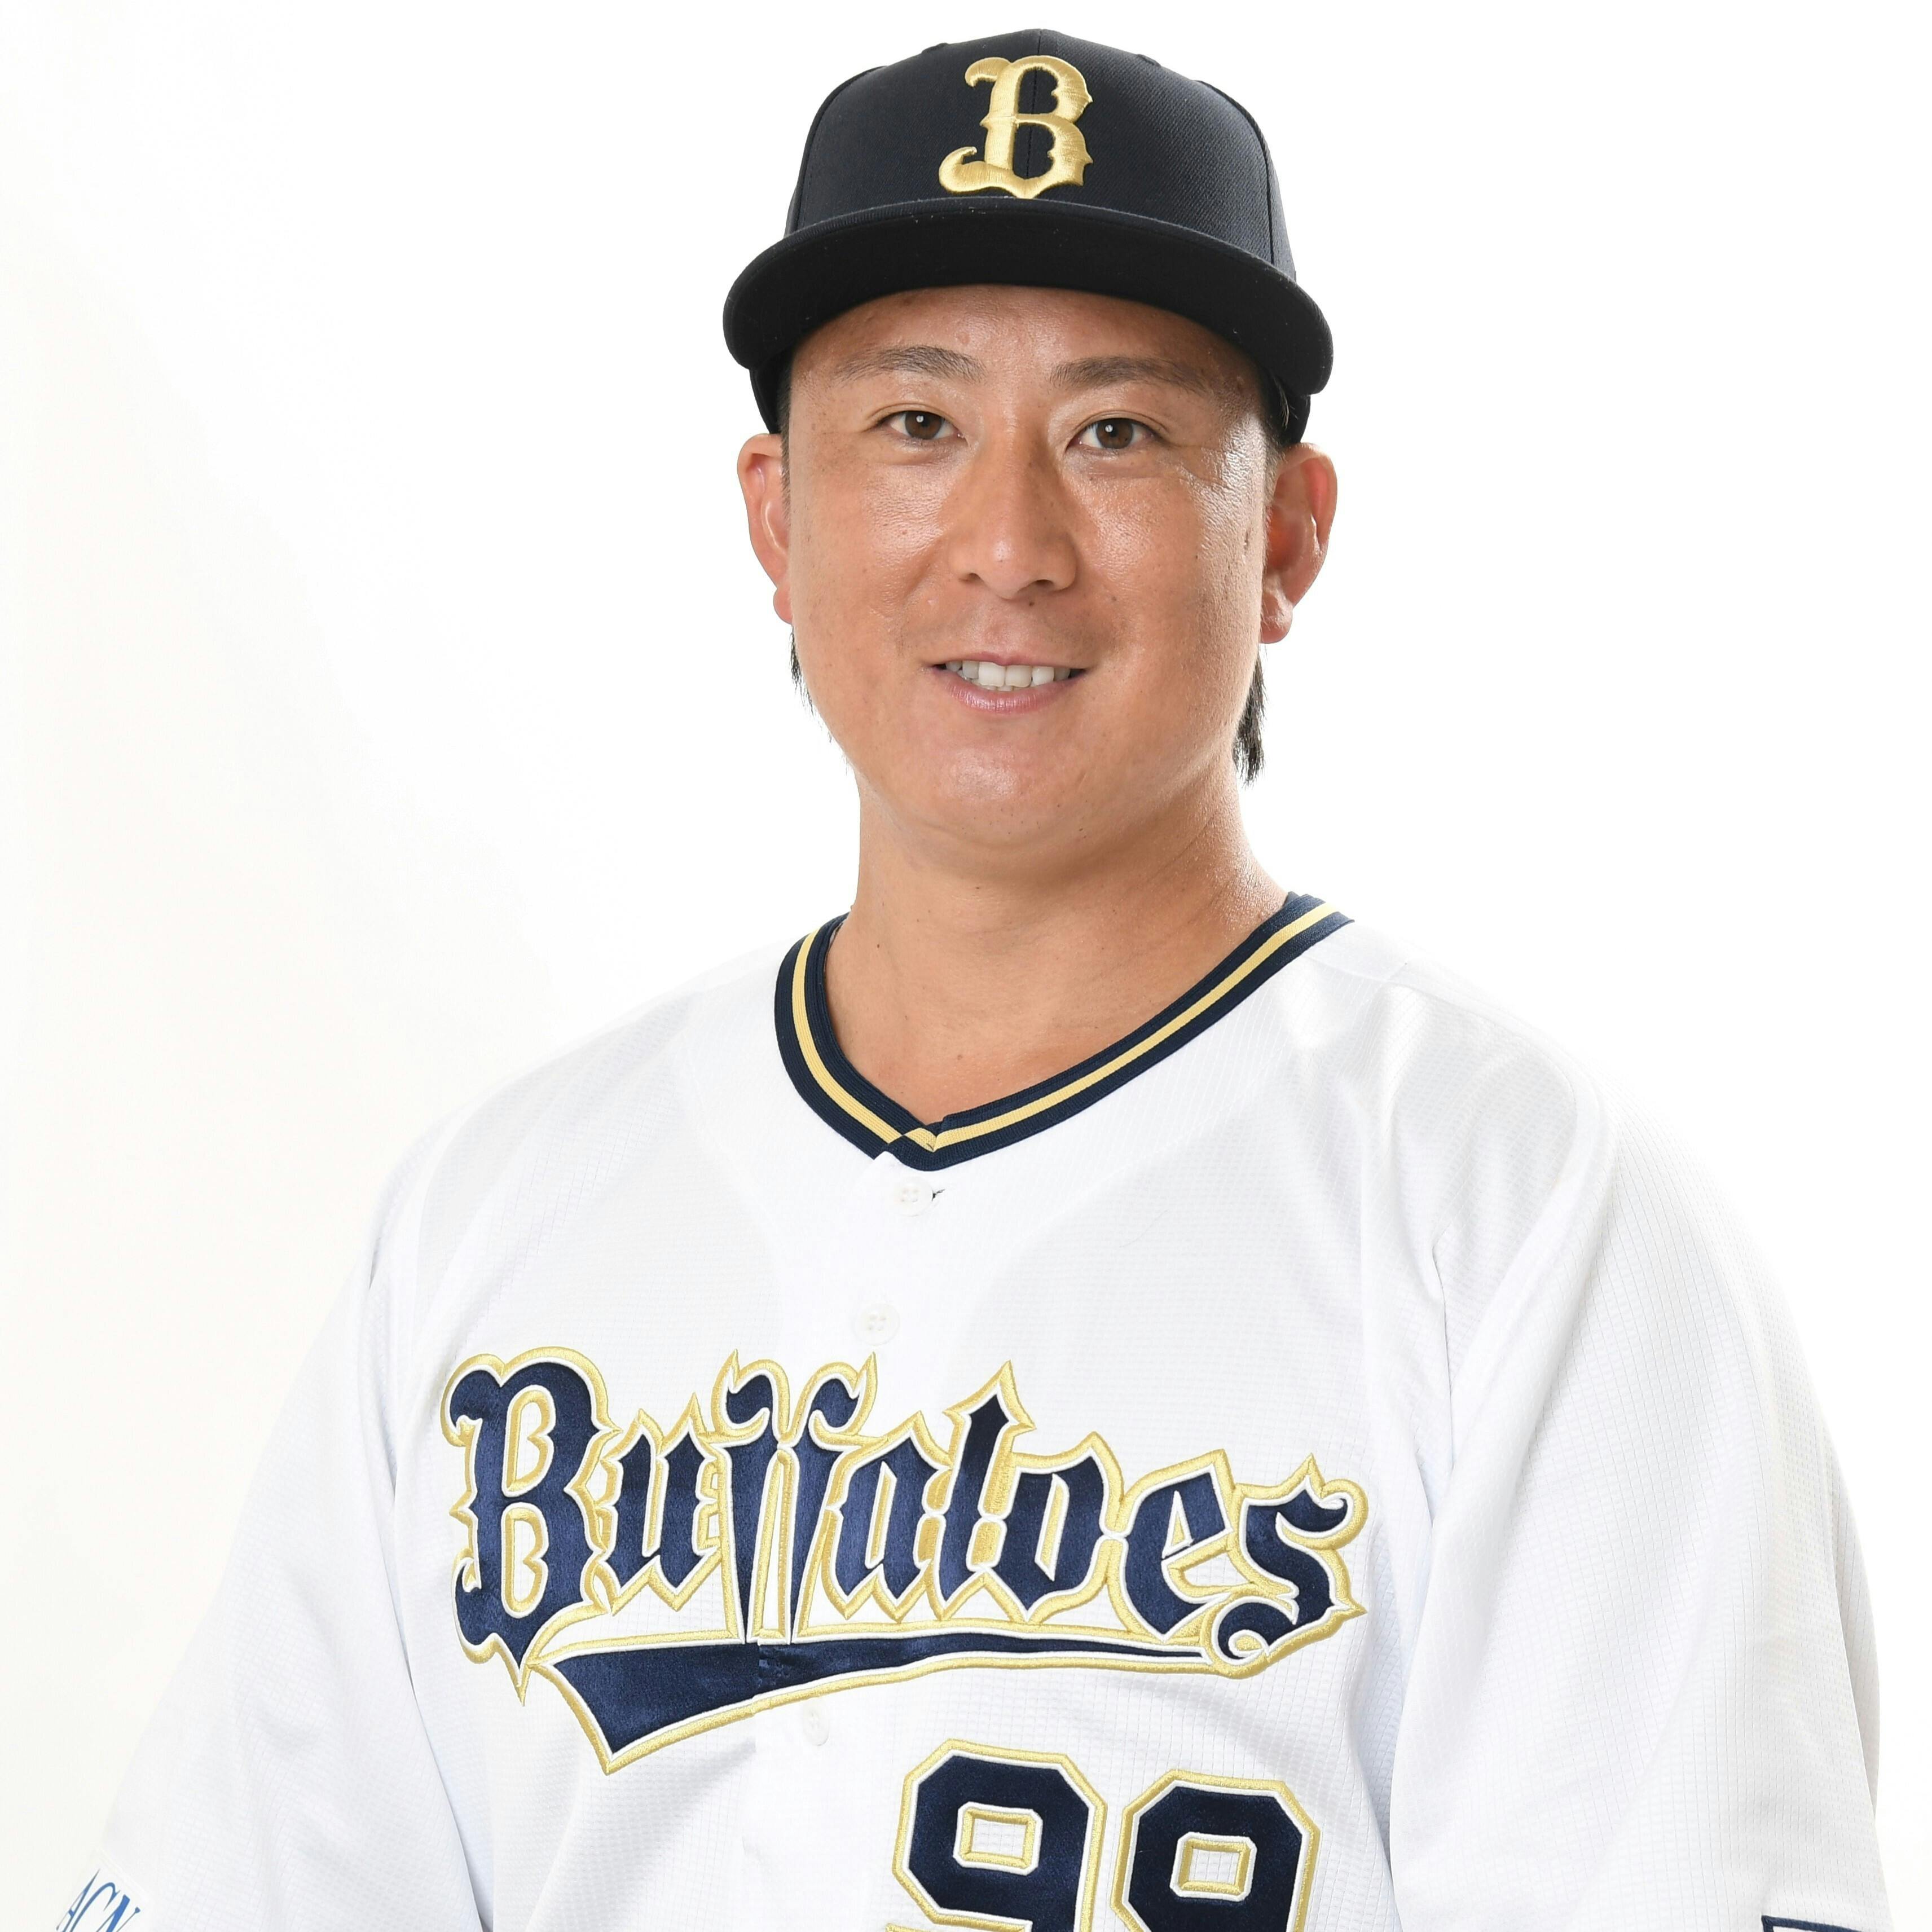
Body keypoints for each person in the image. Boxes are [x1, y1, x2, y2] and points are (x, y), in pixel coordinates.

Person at [63, 27, 1889, 1932]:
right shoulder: (484, 1222)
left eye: (1117, 433)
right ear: (777, 518)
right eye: (914, 425)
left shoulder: (1532, 1225)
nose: (1007, 545)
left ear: (1284, 535)